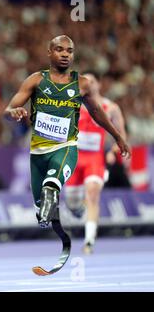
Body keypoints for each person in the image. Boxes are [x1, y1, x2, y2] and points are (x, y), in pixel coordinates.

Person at [4, 35, 130, 232]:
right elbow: (8, 110)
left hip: (66, 147)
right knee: (40, 207)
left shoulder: (82, 84)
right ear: (49, 52)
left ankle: (52, 193)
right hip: (38, 151)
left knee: (51, 184)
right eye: (59, 49)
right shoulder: (36, 80)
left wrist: (118, 137)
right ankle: (45, 207)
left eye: (69, 51)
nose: (65, 54)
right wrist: (13, 112)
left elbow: (98, 113)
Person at [65, 72, 127, 254]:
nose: (88, 84)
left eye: (91, 81)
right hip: (75, 159)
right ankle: (78, 209)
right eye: (84, 81)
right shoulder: (73, 105)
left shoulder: (111, 108)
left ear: (98, 84)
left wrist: (113, 152)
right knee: (72, 202)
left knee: (92, 194)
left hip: (95, 159)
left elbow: (121, 136)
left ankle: (89, 241)